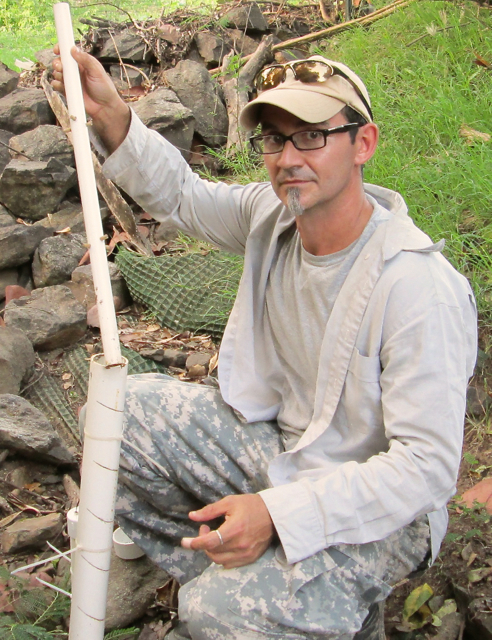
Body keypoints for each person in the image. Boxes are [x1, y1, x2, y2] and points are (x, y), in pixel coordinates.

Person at [53, 49, 477, 639]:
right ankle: (263, 589)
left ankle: (272, 602)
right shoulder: (271, 216)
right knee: (113, 415)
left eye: (311, 137)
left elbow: (426, 470)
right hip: (282, 447)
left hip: (381, 511)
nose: (288, 159)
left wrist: (280, 514)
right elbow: (184, 197)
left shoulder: (417, 288)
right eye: (276, 141)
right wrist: (116, 118)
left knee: (214, 615)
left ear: (363, 144)